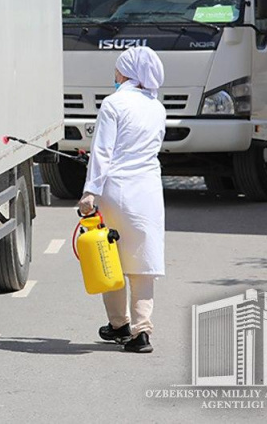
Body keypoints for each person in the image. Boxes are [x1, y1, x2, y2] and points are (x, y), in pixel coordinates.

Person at [78, 46, 166, 354]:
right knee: (143, 262)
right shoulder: (157, 107)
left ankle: (118, 325)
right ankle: (142, 332)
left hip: (116, 189)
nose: (115, 75)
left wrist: (91, 192)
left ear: (127, 73)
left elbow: (102, 153)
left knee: (109, 256)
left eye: (118, 70)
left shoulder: (113, 104)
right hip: (148, 192)